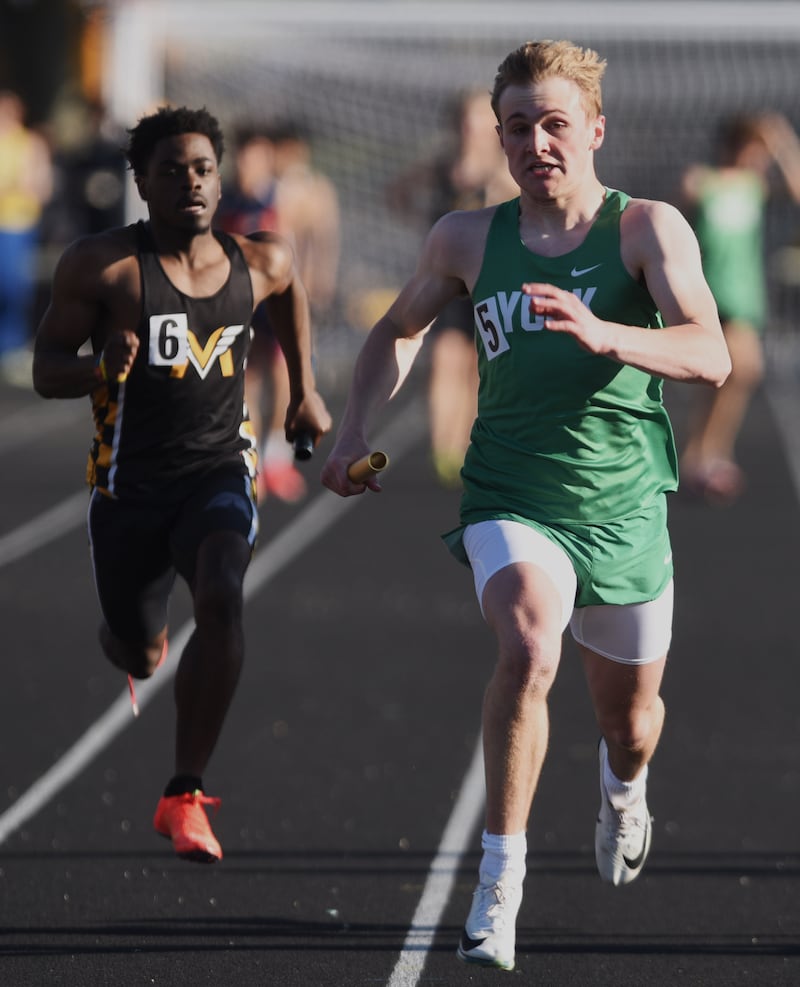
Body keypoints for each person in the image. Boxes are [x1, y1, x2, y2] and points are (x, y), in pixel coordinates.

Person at [321, 40, 730, 971]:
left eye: (554, 124)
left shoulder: (645, 230)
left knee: (629, 722)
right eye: (517, 126)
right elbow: (396, 329)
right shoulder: (467, 238)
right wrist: (348, 436)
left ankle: (625, 790)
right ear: (499, 139)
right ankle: (499, 884)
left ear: (593, 129)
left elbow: (711, 352)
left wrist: (606, 332)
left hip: (623, 506)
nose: (536, 142)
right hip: (513, 491)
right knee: (529, 646)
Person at [32, 106, 332, 864]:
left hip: (216, 471)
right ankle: (129, 637)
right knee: (140, 652)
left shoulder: (254, 259)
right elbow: (45, 370)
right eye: (172, 170)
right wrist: (100, 369)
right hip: (128, 486)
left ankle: (184, 793)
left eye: (203, 169)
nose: (191, 183)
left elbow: (291, 285)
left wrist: (304, 390)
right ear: (141, 182)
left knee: (223, 592)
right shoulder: (101, 266)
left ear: (219, 176)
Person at [388, 89, 518, 488]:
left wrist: (492, 181)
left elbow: (516, 209)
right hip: (447, 280)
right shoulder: (440, 167)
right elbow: (398, 193)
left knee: (479, 367)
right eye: (466, 120)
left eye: (479, 120)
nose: (471, 129)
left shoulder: (504, 168)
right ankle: (444, 448)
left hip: (490, 280)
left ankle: (469, 444)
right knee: (445, 358)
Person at [677, 111, 800, 504]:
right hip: (712, 294)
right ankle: (706, 454)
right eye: (755, 148)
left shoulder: (754, 185)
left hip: (745, 295)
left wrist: (782, 141)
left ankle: (704, 454)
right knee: (740, 370)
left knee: (734, 376)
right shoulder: (703, 183)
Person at [0, 89, 53, 378]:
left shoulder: (29, 144)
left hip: (16, 225)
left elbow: (40, 186)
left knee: (13, 287)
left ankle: (12, 346)